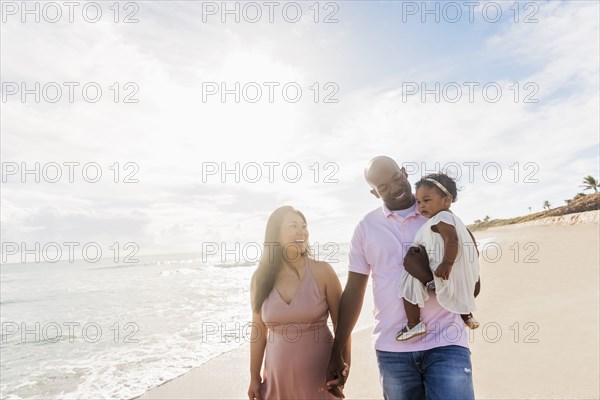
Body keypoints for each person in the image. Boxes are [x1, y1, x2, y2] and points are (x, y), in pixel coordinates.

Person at [326, 156, 477, 400]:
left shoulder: (436, 214)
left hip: (446, 340)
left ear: (405, 173)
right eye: (383, 187)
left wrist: (429, 277)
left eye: (397, 179)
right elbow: (354, 290)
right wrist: (338, 349)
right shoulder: (366, 227)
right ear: (374, 192)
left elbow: (468, 263)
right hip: (392, 349)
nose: (394, 189)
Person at [248, 206, 350, 400]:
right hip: (277, 378)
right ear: (275, 234)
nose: (301, 231)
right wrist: (253, 377)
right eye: (293, 226)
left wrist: (345, 367)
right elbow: (258, 331)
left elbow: (342, 326)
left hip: (320, 374)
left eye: (304, 226)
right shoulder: (260, 279)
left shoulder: (323, 272)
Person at [396, 173, 480, 342]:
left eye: (427, 200)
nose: (421, 206)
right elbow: (470, 245)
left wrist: (447, 264)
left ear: (446, 200)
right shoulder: (454, 220)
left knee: (407, 282)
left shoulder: (441, 218)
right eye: (418, 202)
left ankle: (414, 324)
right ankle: (466, 314)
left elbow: (452, 239)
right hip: (458, 274)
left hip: (445, 269)